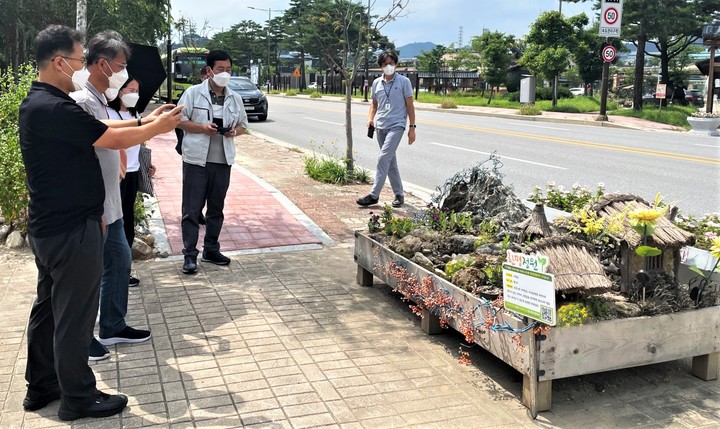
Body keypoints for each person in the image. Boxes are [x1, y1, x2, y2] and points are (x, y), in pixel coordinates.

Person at [19, 24, 181, 421]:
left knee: (50, 310)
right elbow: (111, 140)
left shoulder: (45, 103)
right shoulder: (53, 107)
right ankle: (78, 395)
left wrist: (144, 119)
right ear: (60, 62)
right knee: (74, 315)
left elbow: (106, 127)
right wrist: (154, 129)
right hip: (72, 229)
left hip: (53, 226)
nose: (83, 66)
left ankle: (42, 385)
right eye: (78, 59)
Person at [70, 31, 154, 361]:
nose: (124, 73)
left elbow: (112, 133)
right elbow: (98, 142)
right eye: (121, 67)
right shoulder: (82, 100)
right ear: (103, 65)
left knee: (119, 259)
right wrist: (151, 125)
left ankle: (113, 323)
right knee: (91, 272)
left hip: (111, 200)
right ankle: (82, 337)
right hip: (96, 204)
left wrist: (146, 121)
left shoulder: (99, 99)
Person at [177, 50, 248, 274]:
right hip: (196, 161)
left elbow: (244, 125)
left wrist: (233, 132)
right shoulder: (192, 94)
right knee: (192, 209)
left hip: (222, 161)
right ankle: (189, 255)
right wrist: (202, 128)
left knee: (216, 208)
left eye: (228, 70)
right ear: (209, 71)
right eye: (220, 69)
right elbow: (178, 120)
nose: (225, 73)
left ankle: (211, 249)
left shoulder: (235, 98)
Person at [108, 76, 155, 287]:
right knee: (114, 223)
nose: (135, 93)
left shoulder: (136, 114)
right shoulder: (107, 114)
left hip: (133, 173)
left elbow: (137, 145)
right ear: (119, 91)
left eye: (137, 89)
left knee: (127, 222)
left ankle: (123, 270)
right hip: (116, 176)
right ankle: (111, 270)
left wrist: (147, 165)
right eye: (130, 89)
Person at [357, 50, 416, 208]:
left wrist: (412, 127)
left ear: (395, 64)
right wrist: (370, 119)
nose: (388, 66)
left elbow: (410, 106)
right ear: (381, 66)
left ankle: (374, 195)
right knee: (390, 162)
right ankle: (399, 194)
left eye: (391, 63)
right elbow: (374, 104)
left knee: (383, 157)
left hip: (397, 125)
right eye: (385, 64)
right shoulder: (376, 83)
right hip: (380, 126)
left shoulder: (404, 82)